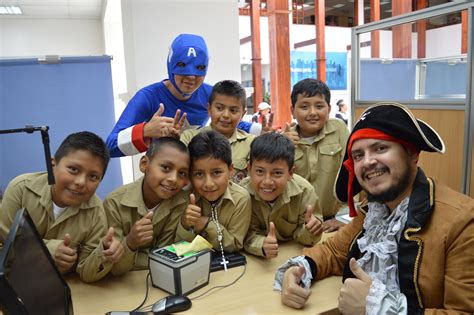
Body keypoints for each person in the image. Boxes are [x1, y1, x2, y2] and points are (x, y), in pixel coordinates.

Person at [274, 102, 474, 314]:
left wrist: (377, 308)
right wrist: (298, 270)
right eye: (358, 155)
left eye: (380, 148)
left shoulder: (462, 222)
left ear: (412, 154)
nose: (367, 162)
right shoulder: (374, 209)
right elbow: (333, 252)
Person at [106, 33, 257, 158]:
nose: (191, 77)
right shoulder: (148, 97)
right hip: (164, 172)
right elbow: (109, 146)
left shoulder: (210, 93)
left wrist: (261, 131)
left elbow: (228, 120)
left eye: (199, 68)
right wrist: (145, 131)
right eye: (183, 67)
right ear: (171, 65)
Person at [0, 131, 124, 283]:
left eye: (93, 177)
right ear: (53, 165)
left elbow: (86, 273)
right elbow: (8, 243)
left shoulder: (96, 211)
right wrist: (49, 250)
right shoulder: (20, 189)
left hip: (59, 288)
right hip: (13, 282)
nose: (81, 182)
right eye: (73, 169)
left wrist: (104, 253)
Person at [103, 137, 190, 275]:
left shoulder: (182, 202)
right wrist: (130, 242)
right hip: (125, 284)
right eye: (166, 168)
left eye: (182, 173)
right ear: (144, 164)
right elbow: (115, 267)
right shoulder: (114, 203)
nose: (173, 179)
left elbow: (172, 255)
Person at [239, 133, 323, 258]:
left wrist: (310, 231)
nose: (267, 181)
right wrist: (261, 245)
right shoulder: (242, 193)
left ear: (290, 173)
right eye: (259, 171)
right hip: (258, 261)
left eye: (277, 173)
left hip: (293, 254)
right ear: (249, 169)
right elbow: (245, 234)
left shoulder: (304, 191)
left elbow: (305, 237)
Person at [281, 78, 349, 232]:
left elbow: (353, 172)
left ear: (329, 108)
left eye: (319, 106)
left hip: (335, 220)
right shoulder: (284, 139)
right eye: (304, 107)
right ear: (292, 110)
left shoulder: (338, 129)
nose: (312, 113)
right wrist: (281, 147)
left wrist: (345, 217)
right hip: (298, 226)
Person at [176, 130, 251, 254]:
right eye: (199, 174)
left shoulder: (240, 199)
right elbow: (175, 247)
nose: (209, 183)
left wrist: (206, 224)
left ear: (231, 170)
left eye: (216, 173)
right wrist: (184, 224)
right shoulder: (184, 198)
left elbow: (235, 245)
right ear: (189, 174)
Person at [180, 80, 255, 183]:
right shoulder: (189, 137)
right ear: (209, 109)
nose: (226, 115)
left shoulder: (251, 143)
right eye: (219, 108)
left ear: (243, 114)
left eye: (233, 110)